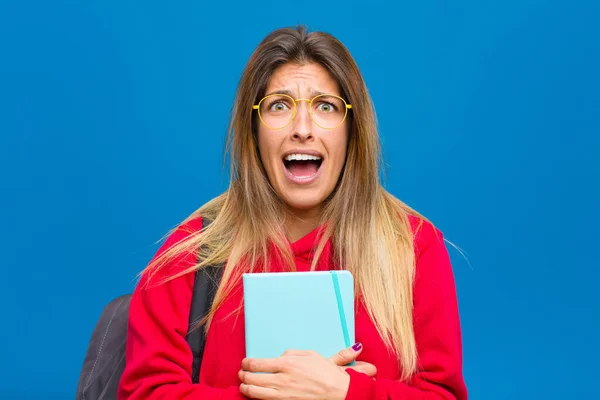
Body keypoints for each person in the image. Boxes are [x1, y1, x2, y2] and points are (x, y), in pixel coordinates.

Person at [118, 25, 468, 400]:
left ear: (353, 130)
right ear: (253, 130)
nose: (302, 129)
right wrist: (282, 393)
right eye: (279, 106)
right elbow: (147, 392)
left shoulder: (413, 247)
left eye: (326, 106)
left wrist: (348, 392)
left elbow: (443, 394)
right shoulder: (191, 253)